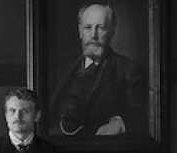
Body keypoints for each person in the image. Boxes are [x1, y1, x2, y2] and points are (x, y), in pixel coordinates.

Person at [46, 2, 148, 138]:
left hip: (101, 147)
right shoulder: (62, 71)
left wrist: (120, 122)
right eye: (88, 27)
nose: (93, 35)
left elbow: (141, 113)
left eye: (100, 28)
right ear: (80, 31)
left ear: (112, 31)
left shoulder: (129, 71)